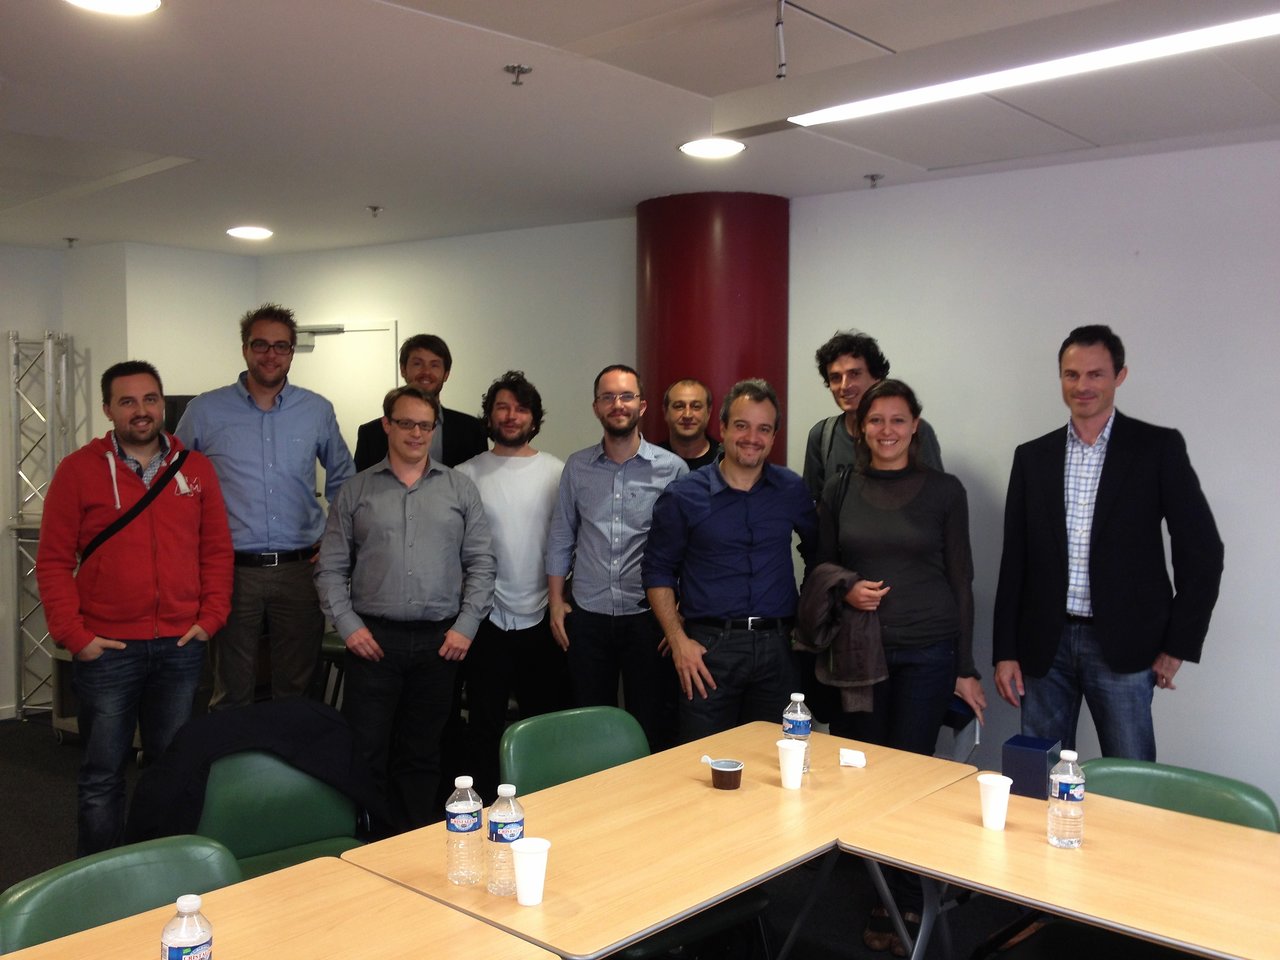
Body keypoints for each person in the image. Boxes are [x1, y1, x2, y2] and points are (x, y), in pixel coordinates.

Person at [993, 325, 1222, 760]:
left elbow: (1203, 552)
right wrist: (1005, 652)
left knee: (1131, 781)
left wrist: (1178, 645)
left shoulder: (1157, 449)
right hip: (1045, 644)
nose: (1083, 386)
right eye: (1072, 374)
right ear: (1060, 377)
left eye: (1095, 374)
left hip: (1125, 644)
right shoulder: (1032, 457)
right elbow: (1015, 561)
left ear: (1120, 376)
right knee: (1039, 774)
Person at [814, 378, 984, 955]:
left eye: (897, 420)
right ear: (859, 427)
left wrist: (965, 665)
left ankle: (906, 896)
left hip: (928, 650)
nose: (886, 430)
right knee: (864, 773)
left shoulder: (944, 490)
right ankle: (881, 890)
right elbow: (822, 564)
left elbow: (962, 579)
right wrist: (848, 589)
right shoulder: (840, 487)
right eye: (875, 420)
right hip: (860, 653)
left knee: (910, 775)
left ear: (915, 426)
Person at [37, 361, 233, 854]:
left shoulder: (196, 469)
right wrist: (74, 636)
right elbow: (54, 561)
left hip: (179, 645)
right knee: (103, 772)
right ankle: (102, 875)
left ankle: (162, 866)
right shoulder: (78, 470)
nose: (141, 411)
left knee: (172, 766)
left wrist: (210, 619)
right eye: (127, 401)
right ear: (108, 409)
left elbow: (216, 551)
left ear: (162, 404)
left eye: (149, 399)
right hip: (108, 649)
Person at [316, 385, 495, 834]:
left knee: (423, 752)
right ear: (387, 426)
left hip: (441, 643)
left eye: (425, 425)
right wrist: (348, 627)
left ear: (434, 429)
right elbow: (331, 569)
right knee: (367, 748)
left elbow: (481, 563)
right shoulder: (356, 491)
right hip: (372, 641)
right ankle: (369, 839)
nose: (416, 433)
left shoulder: (460, 488)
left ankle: (412, 838)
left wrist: (467, 626)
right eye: (406, 423)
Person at [177, 303, 354, 711]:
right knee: (231, 689)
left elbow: (345, 480)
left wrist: (333, 543)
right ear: (245, 349)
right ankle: (233, 771)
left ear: (292, 353)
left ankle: (293, 772)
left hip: (300, 570)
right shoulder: (204, 411)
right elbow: (174, 481)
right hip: (232, 571)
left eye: (281, 347)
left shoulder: (316, 410)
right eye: (261, 345)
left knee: (297, 687)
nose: (271, 355)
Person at [644, 379, 817, 741]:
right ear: (722, 428)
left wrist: (810, 614)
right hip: (708, 650)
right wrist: (677, 640)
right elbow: (657, 570)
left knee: (776, 759)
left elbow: (818, 550)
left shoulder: (791, 490)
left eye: (763, 429)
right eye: (741, 425)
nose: (752, 437)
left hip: (779, 649)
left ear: (772, 437)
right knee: (703, 764)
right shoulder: (683, 496)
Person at [545, 364, 687, 750]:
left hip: (648, 620)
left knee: (651, 722)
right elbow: (561, 535)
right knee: (591, 725)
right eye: (608, 397)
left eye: (626, 396)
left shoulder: (672, 469)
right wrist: (556, 601)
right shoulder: (577, 466)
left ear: (642, 406)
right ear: (596, 407)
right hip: (587, 616)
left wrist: (678, 616)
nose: (617, 404)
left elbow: (688, 549)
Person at [455, 371, 570, 797]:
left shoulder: (558, 471)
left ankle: (547, 801)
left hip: (544, 618)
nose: (511, 415)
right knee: (483, 723)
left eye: (521, 408)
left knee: (543, 722)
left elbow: (568, 541)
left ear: (534, 418)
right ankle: (483, 805)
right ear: (489, 415)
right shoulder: (465, 474)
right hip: (487, 619)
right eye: (502, 407)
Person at [803, 331, 943, 500]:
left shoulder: (915, 431)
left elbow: (936, 501)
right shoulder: (822, 436)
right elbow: (811, 507)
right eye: (836, 377)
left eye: (854, 374)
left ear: (877, 377)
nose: (844, 386)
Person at [353, 334, 488, 471]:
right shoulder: (370, 434)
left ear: (446, 374)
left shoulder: (473, 430)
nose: (426, 372)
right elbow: (360, 488)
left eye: (434, 365)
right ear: (403, 369)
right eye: (417, 364)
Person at [657, 378, 720, 469]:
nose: (687, 415)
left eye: (696, 406)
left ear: (709, 412)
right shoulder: (651, 461)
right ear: (666, 412)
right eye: (679, 406)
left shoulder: (725, 460)